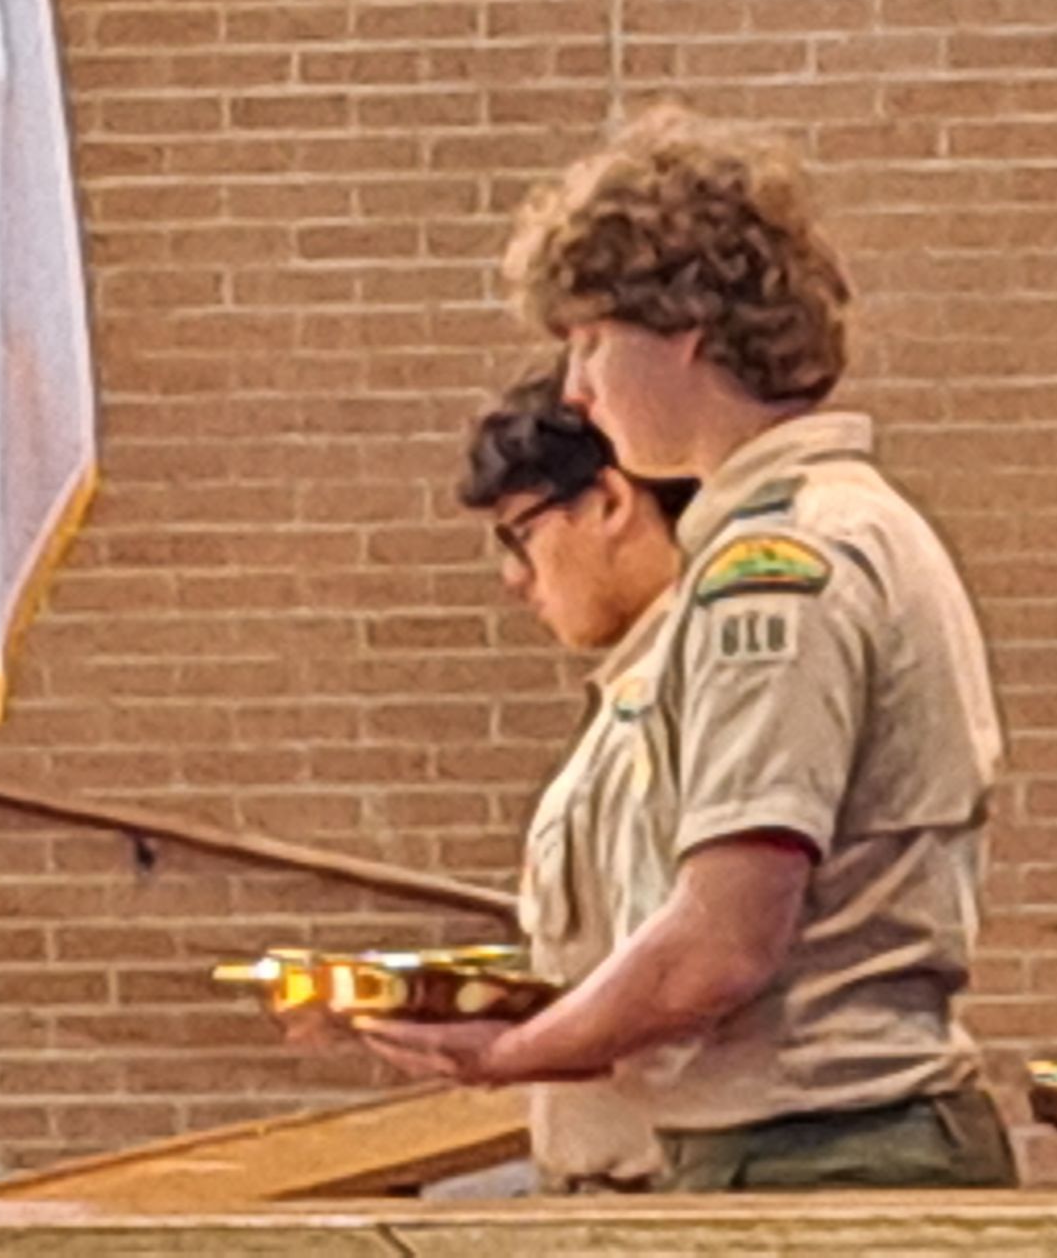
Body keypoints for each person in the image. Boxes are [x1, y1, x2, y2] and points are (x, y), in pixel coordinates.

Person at [358, 106, 1017, 1192]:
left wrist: (513, 1054)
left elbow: (724, 942)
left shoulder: (784, 566)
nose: (576, 387)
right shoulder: (828, 525)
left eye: (589, 342)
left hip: (823, 1155)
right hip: (801, 1142)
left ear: (685, 333)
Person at [454, 367, 695, 1193]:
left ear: (613, 503)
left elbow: (695, 967)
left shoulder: (696, 685)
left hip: (671, 1192)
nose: (514, 578)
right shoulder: (631, 694)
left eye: (519, 536)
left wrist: (503, 1049)